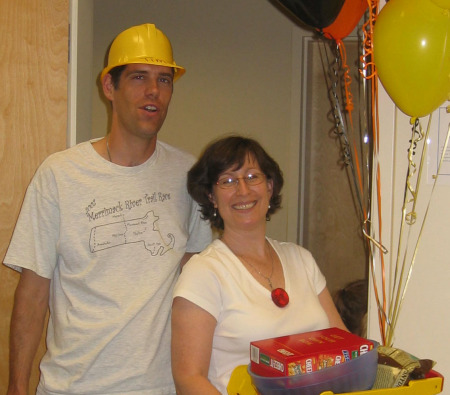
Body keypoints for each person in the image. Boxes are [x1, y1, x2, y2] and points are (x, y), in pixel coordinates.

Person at [4, 23, 212, 395]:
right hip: (73, 387)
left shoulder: (189, 175)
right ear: (108, 87)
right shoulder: (60, 175)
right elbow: (33, 295)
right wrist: (17, 387)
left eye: (165, 80)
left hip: (162, 388)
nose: (153, 92)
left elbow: (198, 287)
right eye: (138, 77)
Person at [171, 136, 347, 394]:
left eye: (253, 177)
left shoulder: (301, 260)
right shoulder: (203, 272)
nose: (243, 190)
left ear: (270, 187)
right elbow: (189, 379)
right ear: (212, 197)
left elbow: (343, 347)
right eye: (228, 181)